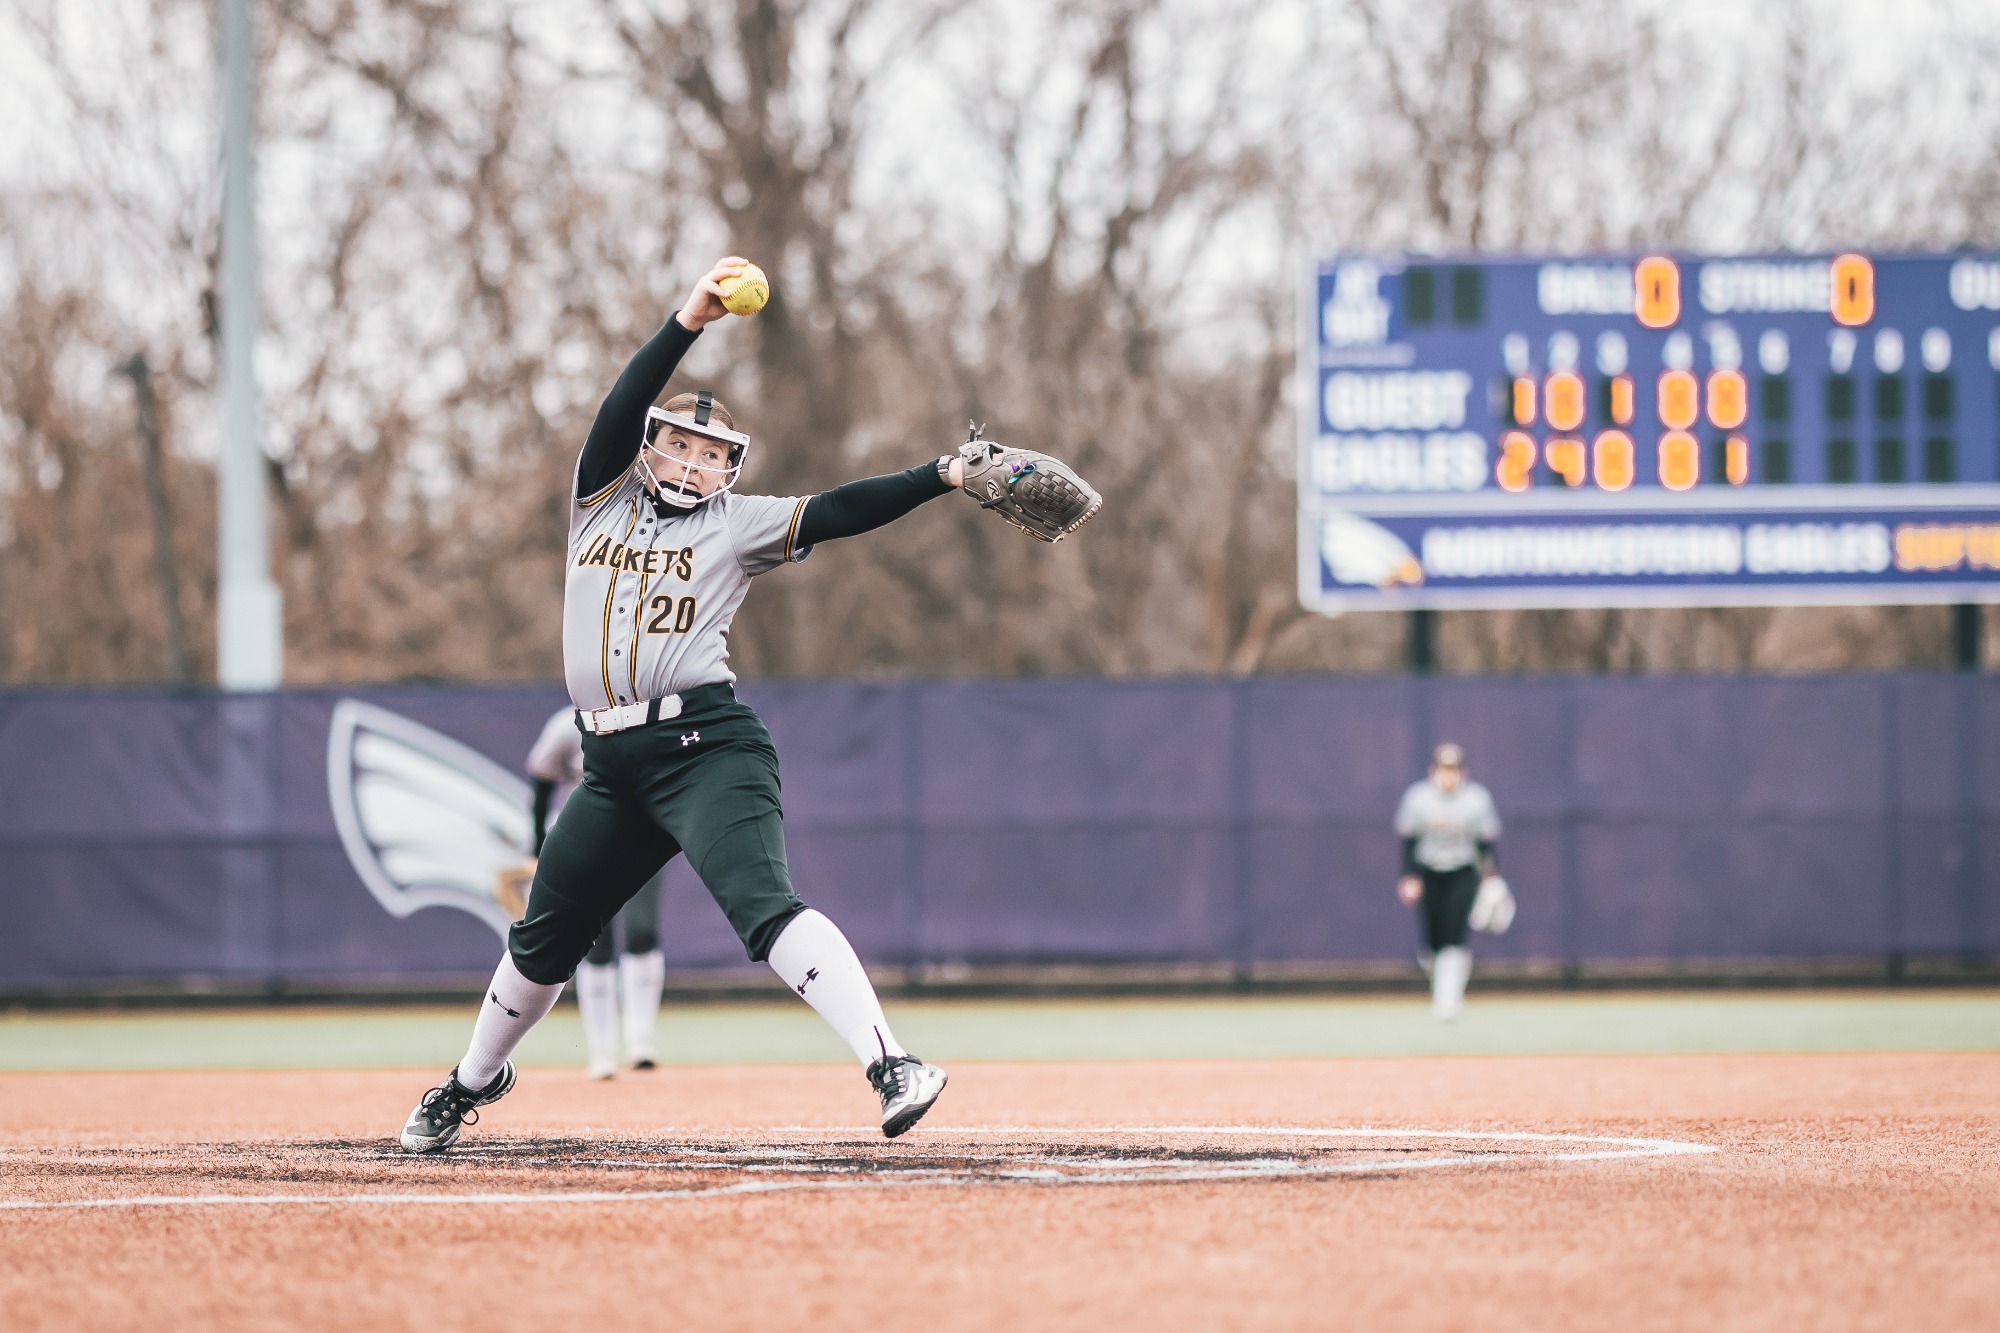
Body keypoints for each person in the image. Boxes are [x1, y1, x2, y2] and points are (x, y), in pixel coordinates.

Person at [400, 256, 969, 1152]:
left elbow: (841, 509)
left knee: (763, 904)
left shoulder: (734, 526)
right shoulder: (599, 503)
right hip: (611, 766)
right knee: (542, 943)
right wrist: (689, 319)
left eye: (714, 455)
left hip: (708, 748)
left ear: (728, 470)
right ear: (652, 446)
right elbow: (619, 407)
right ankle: (469, 1081)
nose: (695, 463)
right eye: (682, 445)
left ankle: (893, 1063)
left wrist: (939, 473)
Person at [524, 707, 664, 1079]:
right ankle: (602, 1051)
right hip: (587, 841)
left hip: (644, 835)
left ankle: (641, 1041)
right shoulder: (567, 724)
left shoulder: (652, 714)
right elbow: (541, 781)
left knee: (641, 932)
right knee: (594, 943)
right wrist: (538, 845)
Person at [1394, 742, 1502, 1020]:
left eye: (1453, 770)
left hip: (1462, 870)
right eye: (1443, 769)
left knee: (1455, 934)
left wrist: (1491, 877)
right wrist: (1409, 876)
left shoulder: (1476, 799)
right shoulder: (1418, 798)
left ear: (1463, 772)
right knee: (1433, 939)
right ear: (1433, 771)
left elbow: (1484, 844)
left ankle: (1448, 999)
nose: (1448, 776)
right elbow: (1409, 840)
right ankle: (1442, 984)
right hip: (1429, 871)